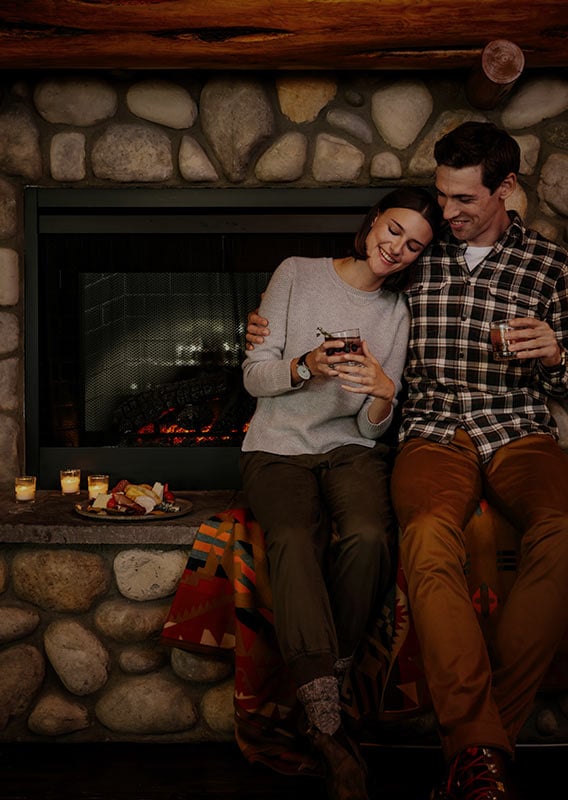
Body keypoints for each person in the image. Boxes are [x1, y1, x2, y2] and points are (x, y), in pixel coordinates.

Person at [245, 121, 568, 800]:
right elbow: (352, 284)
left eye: (462, 201)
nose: (445, 214)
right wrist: (265, 334)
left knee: (563, 532)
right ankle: (482, 753)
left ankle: (478, 747)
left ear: (507, 189)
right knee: (423, 536)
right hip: (433, 433)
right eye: (440, 198)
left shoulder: (551, 266)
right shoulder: (417, 260)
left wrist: (559, 356)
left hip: (519, 432)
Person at [240, 187, 441, 800]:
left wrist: (384, 391)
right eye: (394, 230)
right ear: (372, 222)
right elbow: (254, 376)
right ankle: (329, 725)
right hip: (277, 444)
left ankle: (321, 686)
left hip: (350, 449)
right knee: (295, 536)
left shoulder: (396, 312)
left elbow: (368, 427)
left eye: (414, 246)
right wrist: (305, 366)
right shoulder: (296, 274)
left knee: (370, 535)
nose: (397, 249)